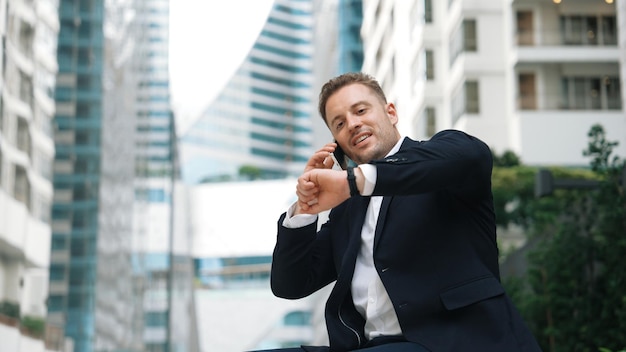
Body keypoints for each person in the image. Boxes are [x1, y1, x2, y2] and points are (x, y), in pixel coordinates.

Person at [257, 72, 542, 352]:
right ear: (336, 143)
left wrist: (354, 181)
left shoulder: (443, 160)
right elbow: (290, 284)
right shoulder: (346, 209)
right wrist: (305, 209)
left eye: (360, 110)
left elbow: (470, 155)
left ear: (390, 112)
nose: (353, 124)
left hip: (449, 341)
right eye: (340, 123)